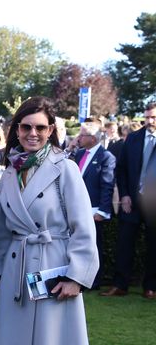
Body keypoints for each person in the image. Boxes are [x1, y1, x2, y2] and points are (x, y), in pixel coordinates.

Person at [0, 96, 97, 345]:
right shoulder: (10, 170)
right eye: (26, 126)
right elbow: (2, 229)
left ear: (51, 130)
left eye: (40, 127)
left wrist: (76, 276)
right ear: (17, 129)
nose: (32, 133)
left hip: (55, 272)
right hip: (17, 276)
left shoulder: (64, 168)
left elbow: (83, 225)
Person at [101, 102, 156, 298]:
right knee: (124, 243)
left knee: (154, 245)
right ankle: (119, 285)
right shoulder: (133, 138)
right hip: (131, 200)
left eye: (153, 118)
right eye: (147, 117)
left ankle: (151, 287)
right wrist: (124, 194)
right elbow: (121, 169)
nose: (149, 121)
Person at [74, 121, 116, 290]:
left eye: (82, 135)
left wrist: (103, 211)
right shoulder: (79, 154)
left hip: (94, 209)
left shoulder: (106, 157)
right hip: (78, 207)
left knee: (94, 246)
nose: (79, 138)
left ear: (92, 138)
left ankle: (94, 281)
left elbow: (107, 185)